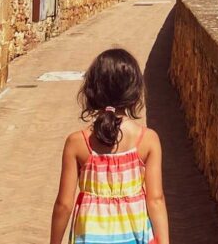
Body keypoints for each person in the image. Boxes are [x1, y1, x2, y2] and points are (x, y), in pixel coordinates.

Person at [50, 48, 169, 244]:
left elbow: (64, 204)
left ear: (93, 89)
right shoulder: (147, 140)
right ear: (134, 90)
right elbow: (156, 200)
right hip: (134, 235)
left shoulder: (77, 143)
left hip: (89, 236)